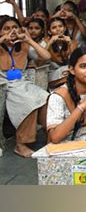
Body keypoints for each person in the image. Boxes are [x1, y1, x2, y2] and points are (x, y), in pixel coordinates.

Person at [0, 17, 50, 157]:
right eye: (6, 28)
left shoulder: (23, 45)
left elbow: (46, 56)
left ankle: (52, 135)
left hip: (23, 83)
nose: (12, 31)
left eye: (15, 27)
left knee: (46, 97)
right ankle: (21, 144)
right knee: (28, 102)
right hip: (5, 84)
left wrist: (29, 40)